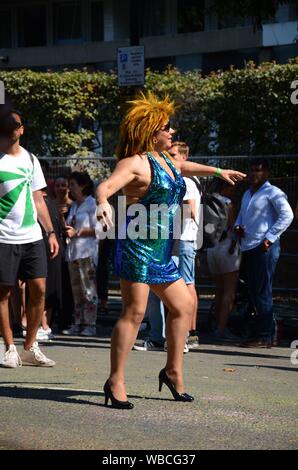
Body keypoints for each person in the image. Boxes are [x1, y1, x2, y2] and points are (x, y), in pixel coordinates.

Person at [95, 92, 246, 409]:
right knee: (134, 313)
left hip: (162, 250)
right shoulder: (134, 163)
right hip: (136, 247)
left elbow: (185, 166)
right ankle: (115, 380)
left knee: (182, 308)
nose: (172, 132)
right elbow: (106, 186)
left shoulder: (166, 160)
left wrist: (218, 173)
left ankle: (172, 370)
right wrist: (102, 204)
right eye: (167, 127)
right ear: (151, 131)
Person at [0, 109, 59, 367]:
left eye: (17, 124)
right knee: (3, 293)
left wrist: (51, 232)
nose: (13, 128)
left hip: (32, 236)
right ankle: (9, 347)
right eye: (8, 124)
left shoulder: (31, 159)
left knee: (39, 289)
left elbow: (39, 199)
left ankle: (30, 346)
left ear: (22, 129)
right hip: (3, 237)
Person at [234, 158, 294, 348]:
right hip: (249, 247)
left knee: (262, 292)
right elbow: (241, 217)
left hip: (264, 248)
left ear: (266, 172)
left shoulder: (273, 192)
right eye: (251, 170)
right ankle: (262, 333)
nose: (253, 174)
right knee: (253, 292)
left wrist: (270, 237)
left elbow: (288, 215)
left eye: (258, 170)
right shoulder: (247, 194)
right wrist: (237, 227)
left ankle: (266, 336)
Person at [169, 141, 201, 350]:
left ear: (183, 158)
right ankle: (189, 332)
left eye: (173, 155)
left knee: (187, 285)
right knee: (186, 284)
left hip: (185, 239)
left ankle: (189, 332)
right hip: (182, 239)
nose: (169, 158)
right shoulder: (187, 179)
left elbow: (191, 211)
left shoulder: (186, 180)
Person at [63, 171, 98, 337]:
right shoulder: (75, 205)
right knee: (76, 290)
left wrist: (78, 232)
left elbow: (100, 230)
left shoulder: (92, 204)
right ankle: (78, 322)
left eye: (73, 185)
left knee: (88, 290)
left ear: (83, 185)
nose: (70, 188)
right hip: (73, 253)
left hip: (87, 253)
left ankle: (90, 324)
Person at [206, 179, 242, 342]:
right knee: (229, 290)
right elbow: (233, 228)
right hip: (227, 248)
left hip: (211, 249)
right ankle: (222, 328)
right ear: (225, 186)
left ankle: (216, 325)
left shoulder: (208, 200)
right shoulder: (228, 203)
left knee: (219, 290)